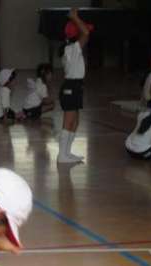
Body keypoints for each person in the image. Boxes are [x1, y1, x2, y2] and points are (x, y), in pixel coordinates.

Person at [57, 9, 94, 164]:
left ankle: (67, 152)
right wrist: (75, 17)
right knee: (68, 121)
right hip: (70, 87)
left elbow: (85, 32)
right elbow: (86, 33)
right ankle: (62, 155)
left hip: (75, 87)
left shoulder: (72, 49)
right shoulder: (72, 48)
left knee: (75, 121)